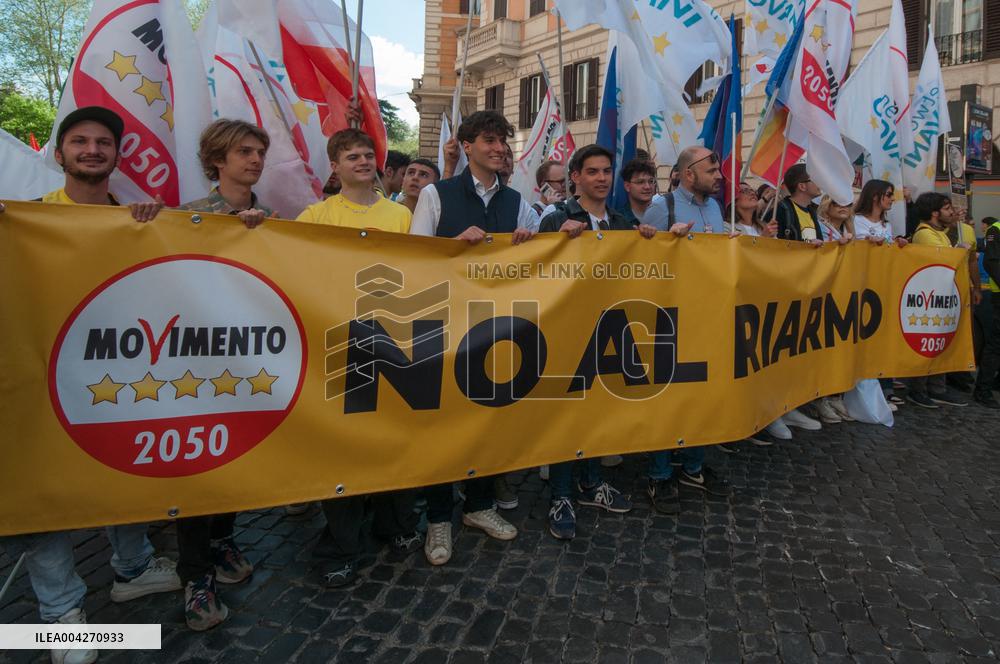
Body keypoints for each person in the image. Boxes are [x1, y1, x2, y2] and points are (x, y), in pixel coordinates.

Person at [6, 105, 177, 664]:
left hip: (116, 381)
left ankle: (133, 566)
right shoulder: (26, 219)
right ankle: (62, 620)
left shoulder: (137, 220)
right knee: (41, 494)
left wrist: (162, 229)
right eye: (80, 141)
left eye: (103, 142)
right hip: (38, 381)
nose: (92, 150)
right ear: (59, 154)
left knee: (120, 469)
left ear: (117, 155)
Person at [410, 110, 537, 565]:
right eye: (489, 140)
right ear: (467, 146)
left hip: (494, 328)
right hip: (442, 327)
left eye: (503, 141)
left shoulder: (518, 202)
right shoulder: (436, 194)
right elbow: (414, 257)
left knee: (487, 418)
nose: (499, 148)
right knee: (441, 424)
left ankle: (479, 505)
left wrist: (531, 241)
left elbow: (543, 257)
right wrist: (451, 247)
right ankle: (438, 517)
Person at [173, 119, 275, 631]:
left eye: (259, 151)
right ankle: (195, 576)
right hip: (196, 365)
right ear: (217, 159)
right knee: (197, 467)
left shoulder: (275, 221)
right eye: (243, 151)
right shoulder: (186, 217)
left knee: (236, 455)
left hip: (251, 363)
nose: (255, 160)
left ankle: (222, 539)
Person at [535, 145, 641, 538]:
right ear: (575, 177)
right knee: (565, 414)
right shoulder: (556, 216)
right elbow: (535, 268)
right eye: (592, 171)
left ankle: (592, 481)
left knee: (598, 410)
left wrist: (655, 239)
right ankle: (561, 494)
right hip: (565, 330)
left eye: (606, 171)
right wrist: (556, 241)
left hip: (608, 327)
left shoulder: (621, 221)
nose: (601, 178)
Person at [905, 193, 973, 409]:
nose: (951, 212)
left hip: (941, 297)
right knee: (925, 344)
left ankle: (937, 387)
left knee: (940, 343)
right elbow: (943, 259)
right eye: (947, 208)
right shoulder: (925, 234)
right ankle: (919, 389)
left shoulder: (938, 233)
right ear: (935, 213)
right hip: (929, 299)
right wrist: (958, 251)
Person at [297, 128, 411, 233]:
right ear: (335, 167)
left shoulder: (403, 216)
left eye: (369, 156)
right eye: (353, 158)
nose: (364, 162)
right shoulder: (314, 216)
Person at [650, 146, 725, 233]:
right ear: (689, 175)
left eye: (718, 170)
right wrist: (670, 238)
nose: (719, 176)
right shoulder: (661, 207)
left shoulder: (714, 205)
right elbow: (645, 241)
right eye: (711, 171)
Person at [974, 216, 1000, 408]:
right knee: (995, 342)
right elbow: (991, 263)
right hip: (998, 294)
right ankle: (983, 389)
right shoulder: (995, 229)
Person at [775, 164, 825, 241]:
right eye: (815, 179)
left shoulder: (812, 211)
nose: (820, 183)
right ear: (802, 186)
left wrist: (838, 243)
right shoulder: (781, 211)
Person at [853, 179, 908, 247]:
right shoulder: (855, 220)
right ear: (874, 196)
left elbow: (888, 246)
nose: (893, 199)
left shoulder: (887, 225)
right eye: (888, 195)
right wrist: (867, 241)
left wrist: (896, 243)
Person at [619, 158, 669, 228]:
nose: (647, 187)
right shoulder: (618, 219)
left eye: (651, 181)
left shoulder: (666, 214)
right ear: (627, 186)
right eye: (640, 182)